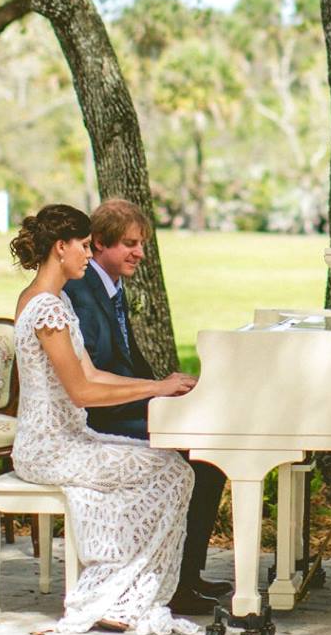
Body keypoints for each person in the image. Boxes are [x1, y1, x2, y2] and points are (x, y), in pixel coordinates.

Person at [9, 203, 200, 635]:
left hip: (69, 439)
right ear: (61, 247)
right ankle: (113, 593)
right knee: (173, 474)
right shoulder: (48, 310)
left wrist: (160, 384)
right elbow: (81, 391)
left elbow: (93, 373)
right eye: (81, 246)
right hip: (50, 449)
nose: (86, 254)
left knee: (172, 469)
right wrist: (156, 388)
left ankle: (125, 589)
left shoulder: (44, 300)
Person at [64, 198, 230, 613]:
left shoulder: (110, 287)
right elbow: (95, 372)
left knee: (206, 452)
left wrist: (173, 389)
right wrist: (157, 388)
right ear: (98, 243)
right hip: (99, 419)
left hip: (123, 407)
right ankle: (177, 583)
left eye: (141, 244)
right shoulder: (82, 295)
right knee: (201, 462)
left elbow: (128, 361)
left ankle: (183, 575)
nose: (139, 253)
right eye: (129, 244)